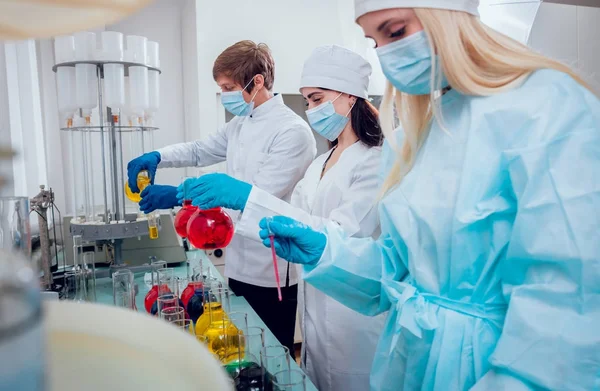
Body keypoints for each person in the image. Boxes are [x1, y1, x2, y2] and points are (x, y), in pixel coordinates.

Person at [255, 1, 600, 390]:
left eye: (396, 32)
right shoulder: (419, 134)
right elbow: (401, 274)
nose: (387, 55)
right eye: (375, 40)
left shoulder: (547, 109)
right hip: (412, 362)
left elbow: (567, 312)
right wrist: (327, 252)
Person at [179, 45, 387, 391]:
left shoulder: (375, 161)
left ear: (351, 97)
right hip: (315, 314)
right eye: (307, 101)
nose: (311, 110)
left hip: (354, 317)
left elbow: (339, 235)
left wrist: (247, 197)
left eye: (318, 98)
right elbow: (297, 217)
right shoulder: (322, 162)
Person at [127, 40, 316, 358]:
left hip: (271, 270)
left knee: (270, 354)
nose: (225, 94)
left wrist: (178, 196)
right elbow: (200, 150)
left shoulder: (292, 132)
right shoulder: (241, 124)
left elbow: (255, 198)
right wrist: (158, 155)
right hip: (238, 265)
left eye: (229, 87)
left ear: (257, 81)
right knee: (239, 351)